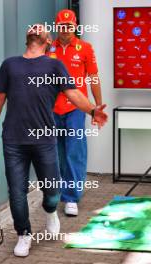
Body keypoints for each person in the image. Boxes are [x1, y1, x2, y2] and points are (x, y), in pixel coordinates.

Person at [0, 24, 107, 257]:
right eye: (33, 27)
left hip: (44, 139)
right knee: (17, 192)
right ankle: (24, 234)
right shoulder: (10, 65)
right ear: (28, 37)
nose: (37, 28)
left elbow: (73, 93)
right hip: (14, 140)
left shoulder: (55, 64)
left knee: (52, 191)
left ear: (48, 40)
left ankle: (50, 211)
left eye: (41, 28)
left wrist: (92, 111)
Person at [48, 9, 103, 216]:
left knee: (74, 152)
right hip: (52, 109)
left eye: (69, 26)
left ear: (75, 26)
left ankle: (71, 198)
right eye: (62, 26)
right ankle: (63, 191)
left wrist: (97, 106)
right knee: (58, 153)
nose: (65, 30)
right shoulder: (48, 48)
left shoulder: (85, 48)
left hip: (76, 109)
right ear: (57, 26)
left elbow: (94, 78)